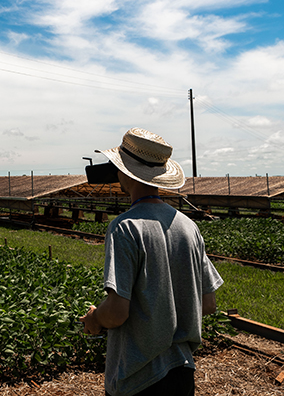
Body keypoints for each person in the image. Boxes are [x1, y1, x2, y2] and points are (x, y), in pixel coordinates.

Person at [79, 127, 223, 396]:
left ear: (123, 172)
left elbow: (117, 312)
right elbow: (208, 303)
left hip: (139, 379)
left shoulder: (125, 227)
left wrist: (95, 318)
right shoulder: (188, 226)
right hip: (182, 374)